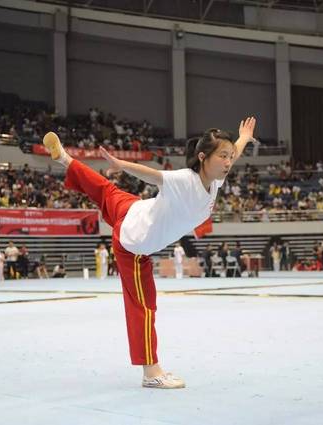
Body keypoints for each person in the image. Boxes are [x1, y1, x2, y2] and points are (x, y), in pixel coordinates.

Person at [42, 116, 257, 389]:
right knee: (144, 306)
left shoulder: (215, 181)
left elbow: (233, 152)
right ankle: (151, 372)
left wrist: (244, 138)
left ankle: (65, 159)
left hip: (134, 208)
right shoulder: (184, 180)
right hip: (132, 244)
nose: (229, 162)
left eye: (230, 156)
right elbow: (152, 175)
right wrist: (121, 165)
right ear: (203, 157)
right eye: (223, 156)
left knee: (106, 190)